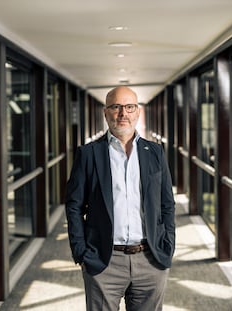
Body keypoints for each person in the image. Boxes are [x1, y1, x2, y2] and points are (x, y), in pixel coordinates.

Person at [65, 86, 176, 311]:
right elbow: (74, 206)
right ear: (106, 113)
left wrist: (168, 246)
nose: (123, 113)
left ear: (137, 112)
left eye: (129, 107)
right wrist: (81, 252)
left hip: (150, 259)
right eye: (116, 107)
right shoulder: (88, 154)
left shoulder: (155, 152)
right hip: (103, 261)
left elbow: (167, 204)